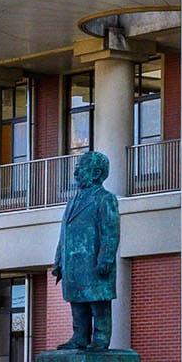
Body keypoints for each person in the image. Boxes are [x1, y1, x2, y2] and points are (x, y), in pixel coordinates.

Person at [51, 150, 120, 351]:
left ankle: (101, 338)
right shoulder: (73, 200)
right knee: (77, 302)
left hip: (94, 262)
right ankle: (79, 336)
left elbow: (110, 231)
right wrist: (59, 260)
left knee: (98, 303)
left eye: (81, 168)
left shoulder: (105, 199)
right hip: (74, 263)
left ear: (97, 173)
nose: (76, 172)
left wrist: (106, 258)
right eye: (76, 168)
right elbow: (64, 233)